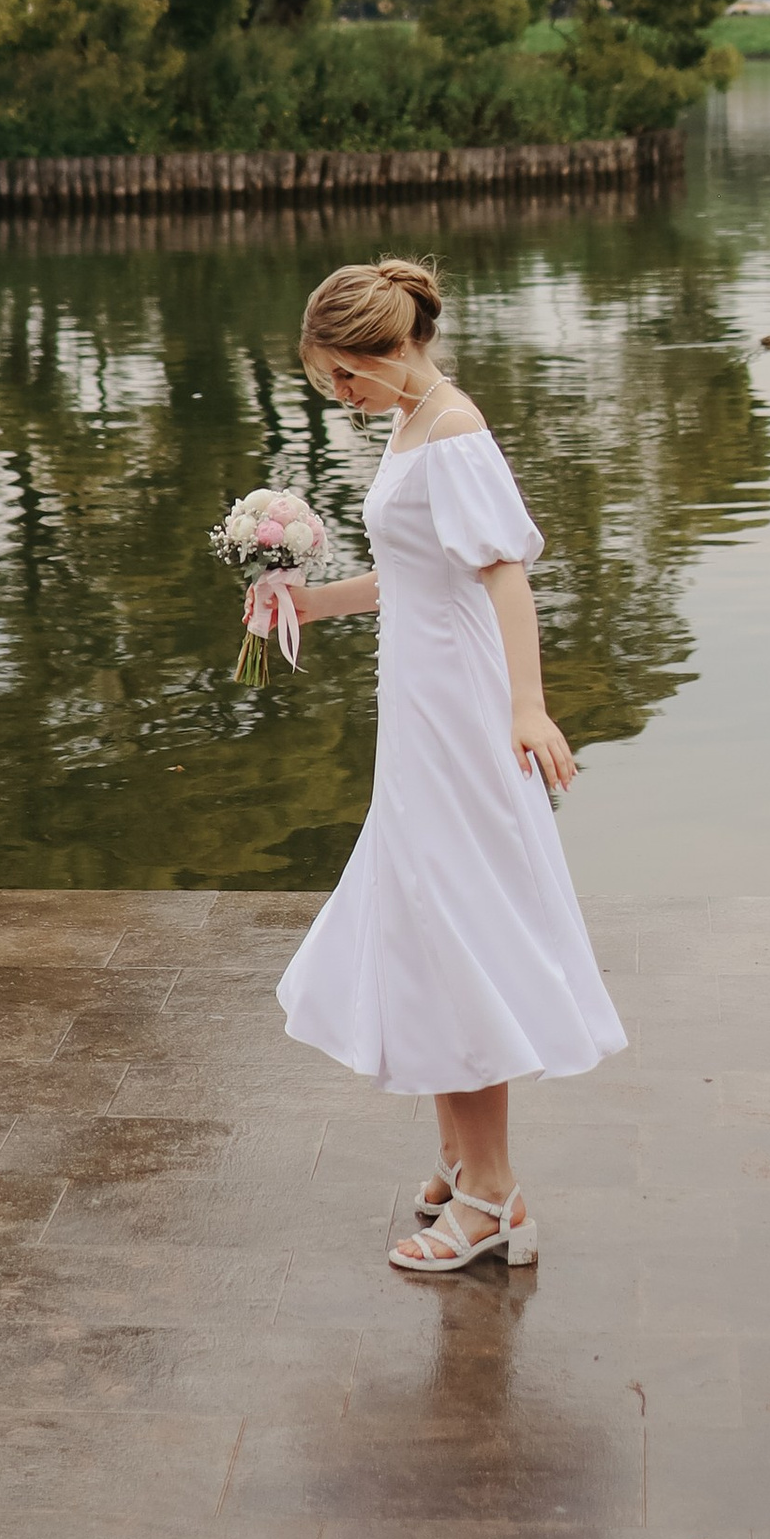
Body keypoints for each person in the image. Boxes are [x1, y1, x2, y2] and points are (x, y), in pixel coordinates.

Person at [266, 256, 626, 1273]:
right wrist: (306, 601)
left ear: (387, 349)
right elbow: (411, 576)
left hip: (461, 713)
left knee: (454, 927)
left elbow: (503, 575)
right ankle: (463, 1160)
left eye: (346, 374)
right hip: (420, 707)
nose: (341, 394)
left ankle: (493, 1197)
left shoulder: (455, 431)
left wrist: (526, 708)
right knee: (425, 923)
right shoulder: (411, 423)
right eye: (329, 379)